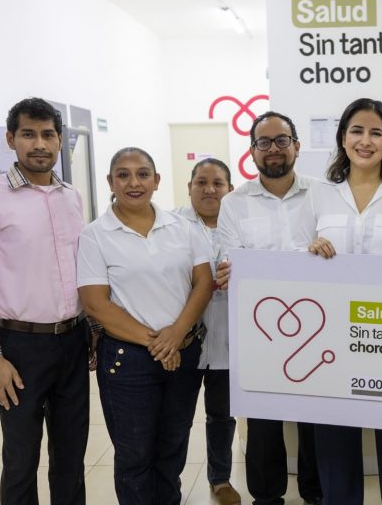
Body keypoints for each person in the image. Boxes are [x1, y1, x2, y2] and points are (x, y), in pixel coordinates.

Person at [0, 97, 89, 505]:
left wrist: (93, 328)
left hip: (73, 341)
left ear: (60, 140)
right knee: (21, 458)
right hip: (19, 348)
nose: (40, 144)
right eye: (29, 134)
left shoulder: (72, 197)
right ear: (11, 139)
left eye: (48, 134)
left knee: (71, 455)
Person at [304, 98, 382, 505]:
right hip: (329, 338)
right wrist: (309, 249)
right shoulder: (319, 193)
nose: (365, 140)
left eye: (376, 133)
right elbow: (296, 257)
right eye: (357, 131)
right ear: (343, 138)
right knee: (335, 447)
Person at [77, 147, 213, 504]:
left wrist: (177, 333)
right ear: (110, 182)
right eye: (123, 175)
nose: (133, 182)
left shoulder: (183, 227)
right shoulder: (95, 234)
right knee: (135, 456)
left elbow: (204, 282)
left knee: (172, 449)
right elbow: (95, 303)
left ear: (157, 180)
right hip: (128, 361)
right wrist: (160, 343)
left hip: (183, 355)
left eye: (142, 174)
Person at [217, 112, 323, 505]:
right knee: (263, 423)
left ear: (296, 145)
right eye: (264, 142)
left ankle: (316, 494)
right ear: (252, 151)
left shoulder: (323, 194)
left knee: (315, 420)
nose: (273, 149)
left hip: (317, 325)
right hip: (258, 329)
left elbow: (336, 253)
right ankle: (266, 497)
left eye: (281, 140)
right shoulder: (234, 203)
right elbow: (230, 263)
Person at [174, 158, 241, 505]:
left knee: (222, 415)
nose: (209, 189)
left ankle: (220, 478)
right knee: (177, 417)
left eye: (218, 183)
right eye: (201, 182)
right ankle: (169, 481)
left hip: (229, 338)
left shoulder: (240, 226)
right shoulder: (171, 225)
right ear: (189, 187)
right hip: (182, 339)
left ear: (230, 189)